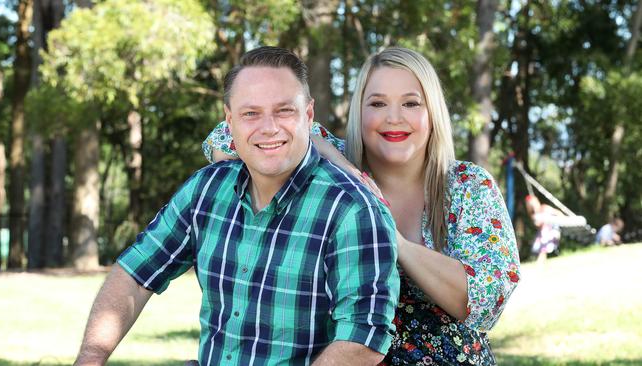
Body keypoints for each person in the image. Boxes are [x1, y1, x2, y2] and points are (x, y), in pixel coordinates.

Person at [74, 46, 401, 366]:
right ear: (229, 121)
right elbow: (134, 273)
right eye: (251, 113)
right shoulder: (206, 189)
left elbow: (364, 338)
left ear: (309, 115)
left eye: (284, 110)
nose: (269, 127)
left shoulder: (354, 210)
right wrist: (90, 358)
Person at [203, 47, 521, 365]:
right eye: (377, 103)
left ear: (433, 113)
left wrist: (391, 237)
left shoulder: (468, 186)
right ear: (359, 112)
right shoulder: (333, 166)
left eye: (411, 103)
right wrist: (346, 168)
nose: (394, 118)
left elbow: (484, 302)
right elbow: (224, 140)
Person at [525, 194, 565, 262]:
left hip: (552, 231)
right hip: (543, 233)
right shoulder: (534, 215)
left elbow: (558, 213)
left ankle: (540, 262)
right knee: (541, 248)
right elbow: (538, 225)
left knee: (543, 248)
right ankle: (541, 262)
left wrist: (561, 219)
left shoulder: (544, 208)